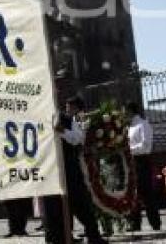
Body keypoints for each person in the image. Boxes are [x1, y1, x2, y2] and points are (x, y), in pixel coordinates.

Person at [44, 96, 106, 244]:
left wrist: (62, 131)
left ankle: (93, 235)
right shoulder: (41, 121)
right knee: (53, 206)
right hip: (51, 170)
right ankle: (57, 237)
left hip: (70, 169)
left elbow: (78, 138)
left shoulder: (67, 120)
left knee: (81, 202)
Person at [126, 101, 161, 232]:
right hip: (132, 162)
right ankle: (135, 223)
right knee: (133, 194)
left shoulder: (143, 124)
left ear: (130, 111)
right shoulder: (130, 127)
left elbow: (146, 146)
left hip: (142, 161)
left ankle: (155, 223)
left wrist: (129, 150)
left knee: (147, 194)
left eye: (126, 112)